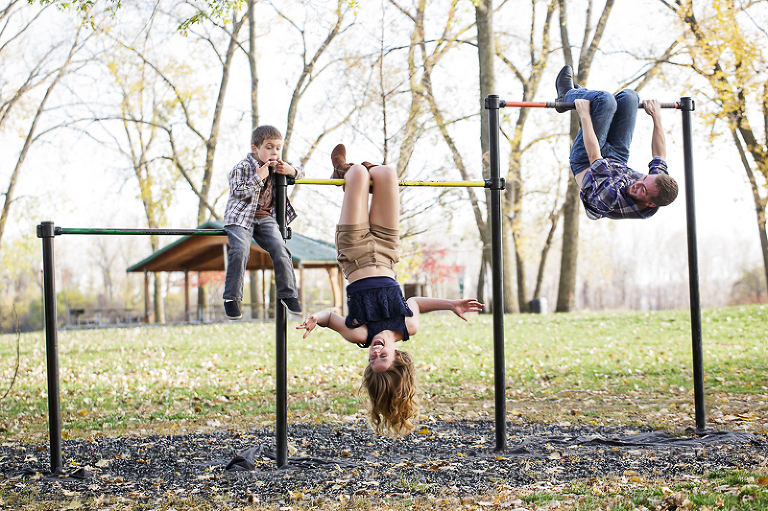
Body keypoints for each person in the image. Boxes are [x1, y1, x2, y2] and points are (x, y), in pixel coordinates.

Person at [297, 144, 483, 437]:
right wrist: (451, 304)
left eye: (372, 361)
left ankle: (344, 174)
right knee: (386, 173)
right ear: (398, 358)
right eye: (382, 358)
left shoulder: (359, 333)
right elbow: (416, 301)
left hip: (354, 249)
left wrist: (315, 319)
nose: (375, 353)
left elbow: (330, 317)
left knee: (358, 172)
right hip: (386, 251)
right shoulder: (407, 325)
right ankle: (364, 186)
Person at [555, 65, 679, 220]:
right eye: (645, 179)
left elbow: (594, 156)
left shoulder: (611, 201)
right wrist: (656, 116)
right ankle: (582, 96)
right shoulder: (658, 186)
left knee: (605, 100)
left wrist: (585, 116)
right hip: (617, 158)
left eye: (643, 190)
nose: (638, 184)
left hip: (586, 161)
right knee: (630, 97)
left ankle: (566, 95)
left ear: (651, 204)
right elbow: (660, 155)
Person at [222, 125, 304, 320]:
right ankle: (231, 299)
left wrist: (291, 170)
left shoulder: (279, 166)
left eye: (278, 147)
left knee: (280, 249)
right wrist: (258, 178)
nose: (274, 152)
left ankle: (288, 294)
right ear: (255, 149)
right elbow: (238, 191)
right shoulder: (243, 167)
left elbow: (301, 173)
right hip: (241, 218)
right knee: (240, 250)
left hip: (265, 218)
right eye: (269, 147)